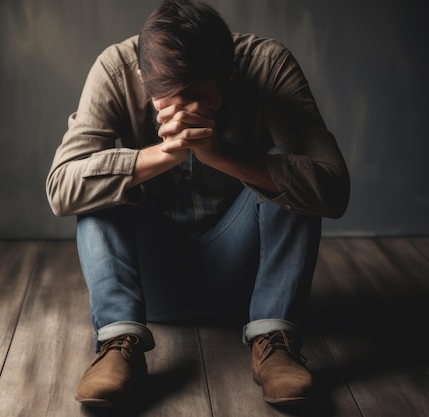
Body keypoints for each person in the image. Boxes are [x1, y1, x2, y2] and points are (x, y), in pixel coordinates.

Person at [46, 0, 350, 408]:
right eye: (166, 99)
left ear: (230, 74)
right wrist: (161, 156)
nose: (184, 112)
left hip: (244, 281)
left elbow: (333, 190)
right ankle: (119, 342)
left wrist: (220, 155)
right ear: (142, 77)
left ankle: (274, 342)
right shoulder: (116, 68)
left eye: (199, 97)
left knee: (294, 182)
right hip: (151, 285)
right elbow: (60, 188)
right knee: (96, 184)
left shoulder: (267, 65)